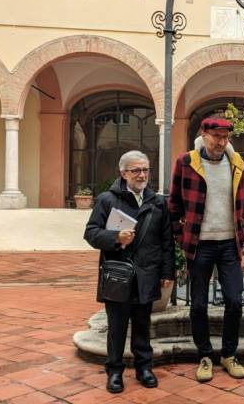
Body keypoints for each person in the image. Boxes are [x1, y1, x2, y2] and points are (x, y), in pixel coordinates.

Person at [168, 117, 244, 382]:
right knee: (199, 305)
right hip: (199, 245)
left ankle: (229, 354)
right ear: (203, 135)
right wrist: (183, 238)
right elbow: (174, 204)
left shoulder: (238, 163)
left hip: (229, 244)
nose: (222, 142)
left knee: (235, 301)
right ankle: (204, 355)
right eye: (217, 136)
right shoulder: (186, 162)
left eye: (226, 137)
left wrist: (241, 233)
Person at [84, 150, 174, 394]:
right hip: (118, 274)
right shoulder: (107, 200)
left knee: (143, 324)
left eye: (145, 170)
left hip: (147, 273)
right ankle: (114, 371)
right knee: (117, 326)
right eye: (136, 170)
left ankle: (144, 367)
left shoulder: (157, 202)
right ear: (123, 173)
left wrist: (167, 273)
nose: (142, 174)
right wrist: (115, 237)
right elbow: (91, 233)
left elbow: (167, 241)